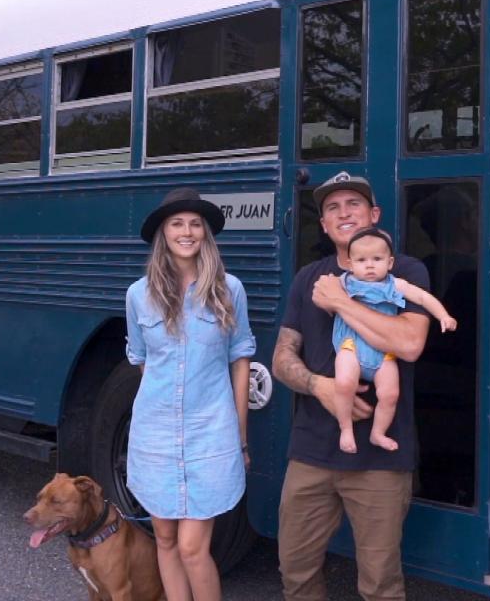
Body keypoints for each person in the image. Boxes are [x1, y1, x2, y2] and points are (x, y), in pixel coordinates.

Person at [272, 170, 431, 601]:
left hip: (380, 460)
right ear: (323, 225)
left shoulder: (405, 271)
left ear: (374, 215)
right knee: (296, 571)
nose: (344, 213)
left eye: (354, 204)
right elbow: (282, 357)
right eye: (332, 208)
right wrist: (320, 386)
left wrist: (342, 300)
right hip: (310, 453)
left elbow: (411, 344)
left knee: (380, 583)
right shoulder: (309, 277)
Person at [125, 187, 255, 601]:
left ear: (205, 234)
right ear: (163, 233)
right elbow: (143, 362)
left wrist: (240, 437)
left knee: (192, 547)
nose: (187, 231)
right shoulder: (138, 295)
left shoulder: (228, 289)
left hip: (210, 433)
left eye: (195, 224)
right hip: (155, 435)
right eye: (177, 223)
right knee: (164, 538)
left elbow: (240, 361)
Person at [333, 226, 457, 455]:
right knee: (343, 383)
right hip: (351, 346)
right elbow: (324, 293)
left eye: (377, 259)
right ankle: (346, 428)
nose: (369, 265)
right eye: (361, 260)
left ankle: (378, 433)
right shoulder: (344, 282)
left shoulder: (395, 284)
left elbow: (422, 297)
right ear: (350, 264)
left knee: (390, 394)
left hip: (383, 352)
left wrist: (443, 315)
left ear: (390, 263)